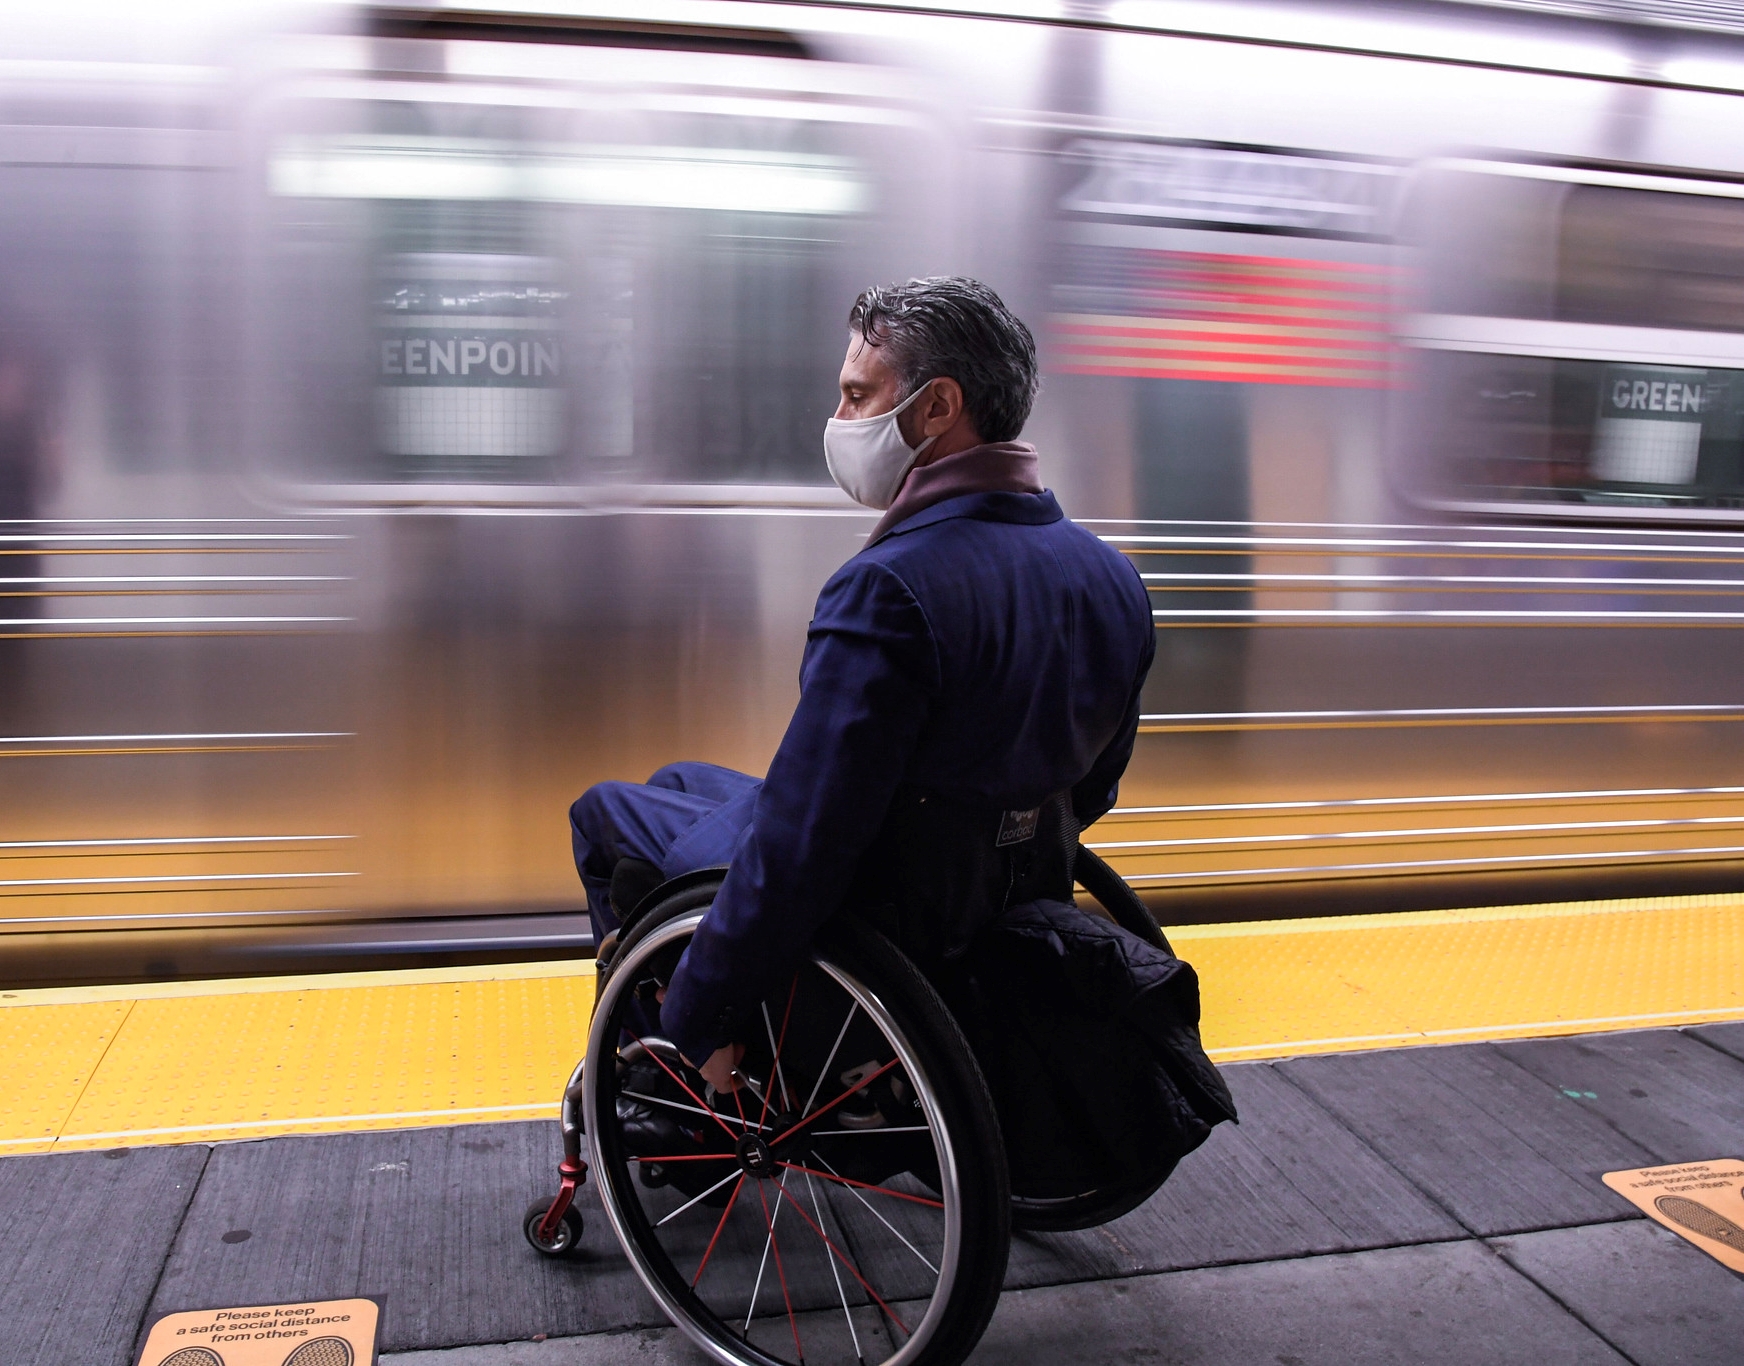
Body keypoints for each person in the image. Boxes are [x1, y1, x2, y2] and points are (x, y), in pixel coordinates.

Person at [569, 276, 1154, 1092]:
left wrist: (699, 1015)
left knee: (602, 813)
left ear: (937, 407)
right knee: (675, 783)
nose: (840, 423)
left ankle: (667, 1081)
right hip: (996, 883)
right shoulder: (1110, 577)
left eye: (856, 396)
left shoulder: (891, 586)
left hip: (881, 900)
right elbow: (1092, 785)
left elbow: (806, 839)